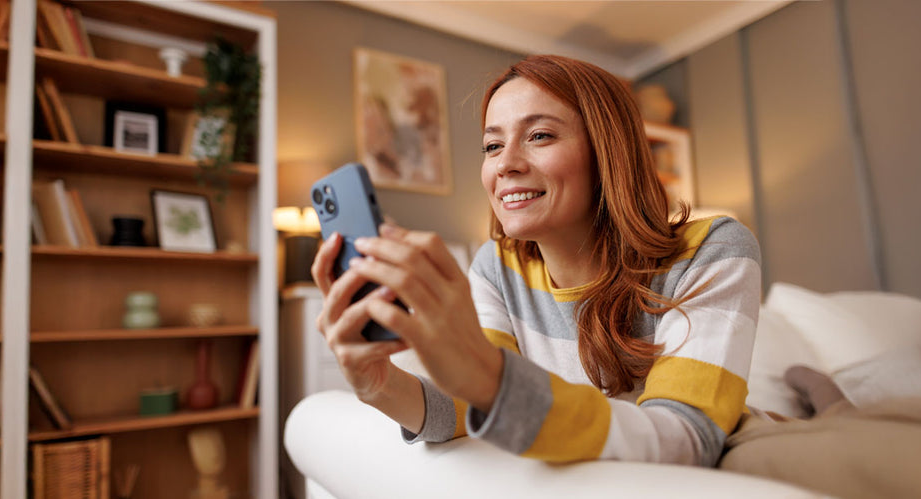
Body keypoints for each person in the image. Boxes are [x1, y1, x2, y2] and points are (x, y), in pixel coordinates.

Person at [311, 54, 762, 467]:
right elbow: (471, 407)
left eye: (539, 135)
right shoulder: (497, 267)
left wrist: (486, 376)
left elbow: (684, 439)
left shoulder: (715, 249)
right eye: (492, 146)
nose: (505, 163)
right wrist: (377, 384)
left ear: (607, 152)